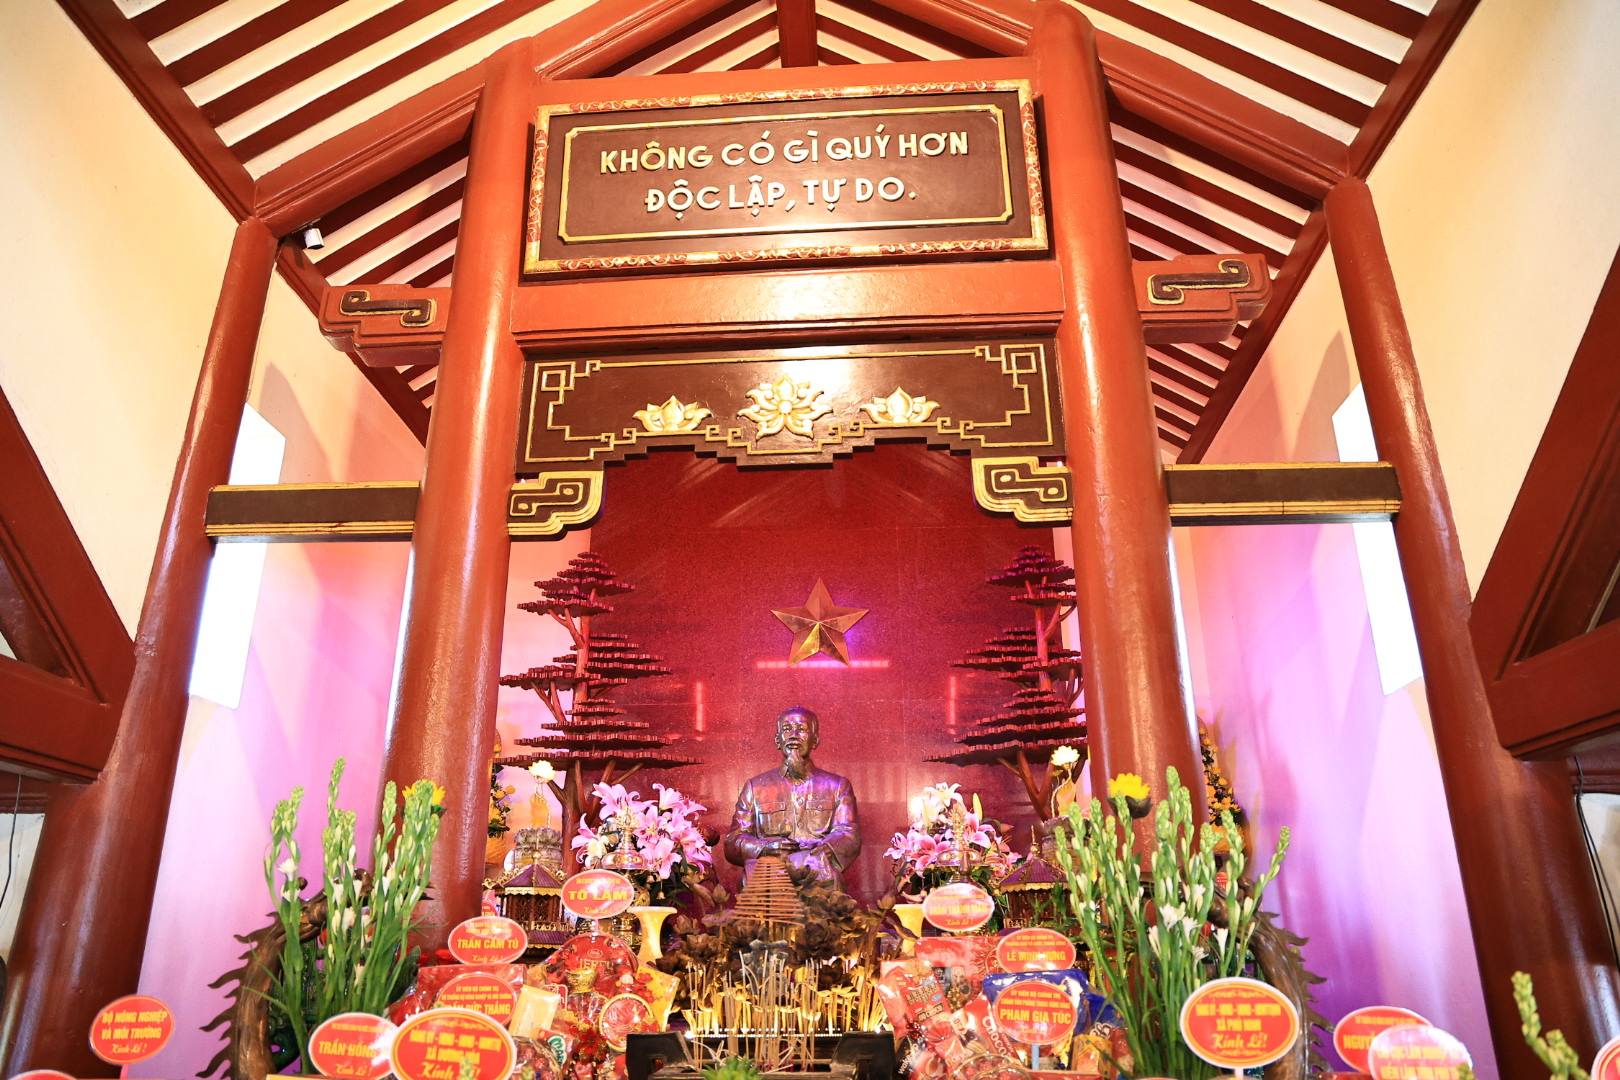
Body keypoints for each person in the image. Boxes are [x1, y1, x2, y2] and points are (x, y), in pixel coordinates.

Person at [724, 706, 861, 891]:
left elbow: (849, 834)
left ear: (815, 740)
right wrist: (764, 848)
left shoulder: (837, 786)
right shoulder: (755, 787)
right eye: (787, 729)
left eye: (801, 729)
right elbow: (733, 840)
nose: (794, 735)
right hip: (768, 877)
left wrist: (813, 856)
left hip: (820, 879)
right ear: (777, 740)